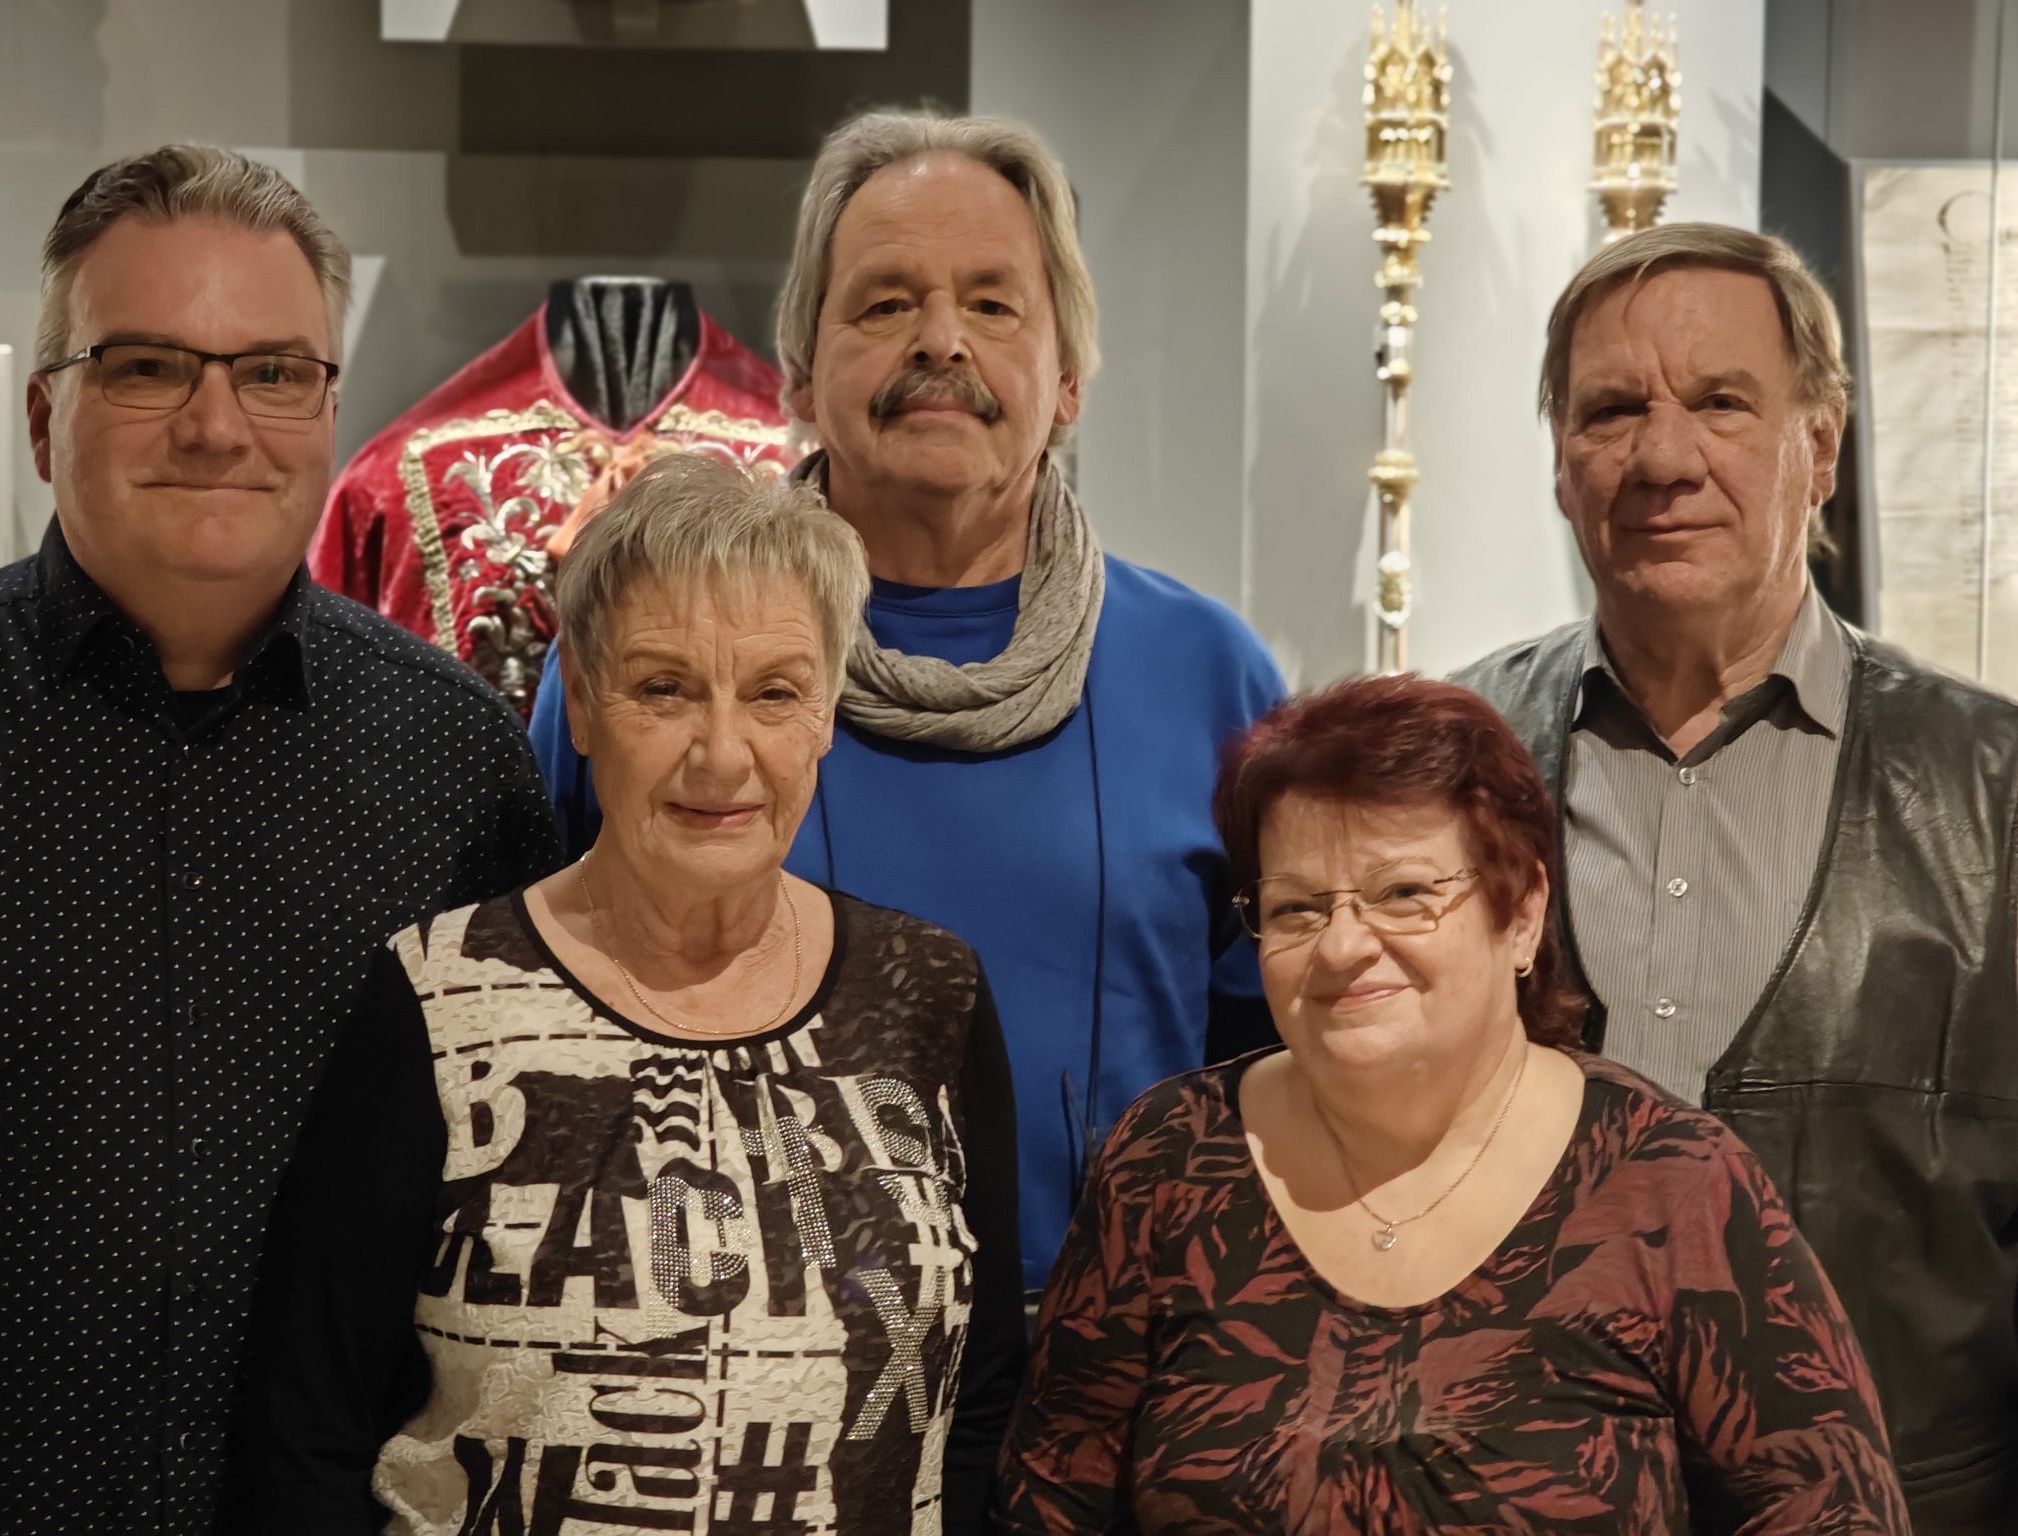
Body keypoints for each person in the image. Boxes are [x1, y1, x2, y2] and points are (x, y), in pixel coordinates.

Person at [526, 111, 1286, 1297]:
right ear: (796, 373)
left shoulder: (1208, 676)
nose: (940, 340)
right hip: (739, 1358)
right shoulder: (645, 670)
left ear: (1067, 378)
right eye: (883, 305)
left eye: (992, 304)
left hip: (1110, 1361)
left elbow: (1278, 1069)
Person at [221, 453, 1023, 1535]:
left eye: (774, 693)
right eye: (663, 689)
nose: (722, 755)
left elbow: (976, 1399)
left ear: (826, 714)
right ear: (585, 706)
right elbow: (304, 1432)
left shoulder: (930, 993)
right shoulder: (441, 995)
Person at [0, 147, 564, 1533]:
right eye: (146, 367)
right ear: (45, 419)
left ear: (331, 413)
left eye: (273, 372)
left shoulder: (459, 764)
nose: (215, 425)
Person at [998, 674, 1909, 1534]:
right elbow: (1049, 1501)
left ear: (1522, 914)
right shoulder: (1170, 1158)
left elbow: (1834, 1511)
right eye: (1298, 908)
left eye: (1403, 894)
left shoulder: (1673, 1183)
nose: (1343, 947)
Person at [1453, 223, 2018, 1533]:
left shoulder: (1997, 798)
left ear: (1820, 449)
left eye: (1719, 402)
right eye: (1611, 411)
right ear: (1558, 463)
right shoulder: (1447, 766)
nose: (1662, 458)